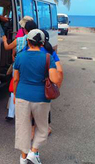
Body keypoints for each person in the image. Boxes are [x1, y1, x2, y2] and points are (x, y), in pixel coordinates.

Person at [13, 29, 63, 164]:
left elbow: (16, 79)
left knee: (23, 127)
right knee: (42, 127)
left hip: (22, 96)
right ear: (42, 43)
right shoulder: (48, 57)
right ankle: (34, 152)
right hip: (41, 98)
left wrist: (15, 95)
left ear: (28, 41)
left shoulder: (20, 56)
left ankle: (23, 157)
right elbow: (54, 78)